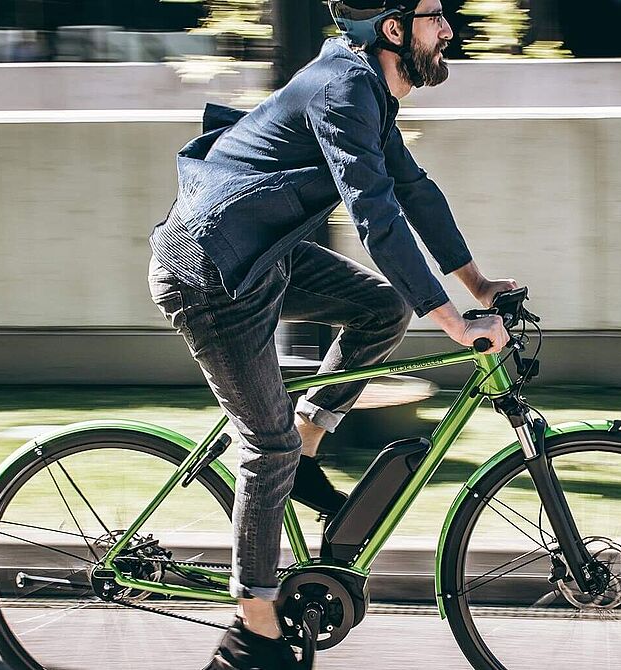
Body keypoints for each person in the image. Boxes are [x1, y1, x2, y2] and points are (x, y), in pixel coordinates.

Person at [145, 1, 514, 667]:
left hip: (263, 255)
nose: (450, 30)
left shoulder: (368, 90)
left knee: (380, 309)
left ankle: (311, 438)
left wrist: (479, 286)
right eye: (436, 17)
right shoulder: (345, 89)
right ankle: (252, 627)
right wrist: (453, 321)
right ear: (395, 30)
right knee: (267, 443)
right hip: (211, 274)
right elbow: (375, 216)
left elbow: (415, 193)